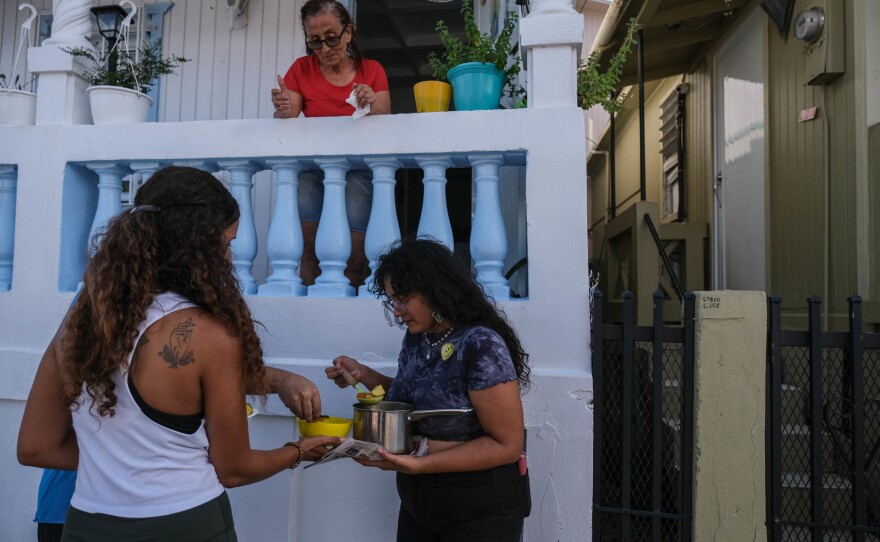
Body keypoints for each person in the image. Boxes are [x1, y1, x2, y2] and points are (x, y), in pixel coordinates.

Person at [18, 166, 341, 541]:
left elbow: (35, 447)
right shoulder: (210, 336)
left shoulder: (82, 324)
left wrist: (117, 463)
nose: (227, 258)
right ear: (197, 243)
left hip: (87, 526)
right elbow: (234, 469)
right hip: (186, 524)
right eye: (226, 243)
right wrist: (298, 451)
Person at [325, 238, 532, 541]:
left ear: (436, 290)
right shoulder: (418, 337)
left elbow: (507, 444)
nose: (397, 312)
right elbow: (417, 400)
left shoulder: (480, 344)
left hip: (478, 509)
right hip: (419, 503)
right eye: (392, 301)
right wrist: (363, 374)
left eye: (403, 299)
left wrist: (418, 464)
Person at [271, 0, 391, 289]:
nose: (324, 49)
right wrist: (283, 105)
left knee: (356, 257)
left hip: (359, 171)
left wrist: (370, 100)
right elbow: (290, 110)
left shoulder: (371, 70)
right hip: (311, 170)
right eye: (315, 42)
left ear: (348, 33)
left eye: (331, 38)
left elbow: (385, 112)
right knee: (309, 252)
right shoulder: (301, 69)